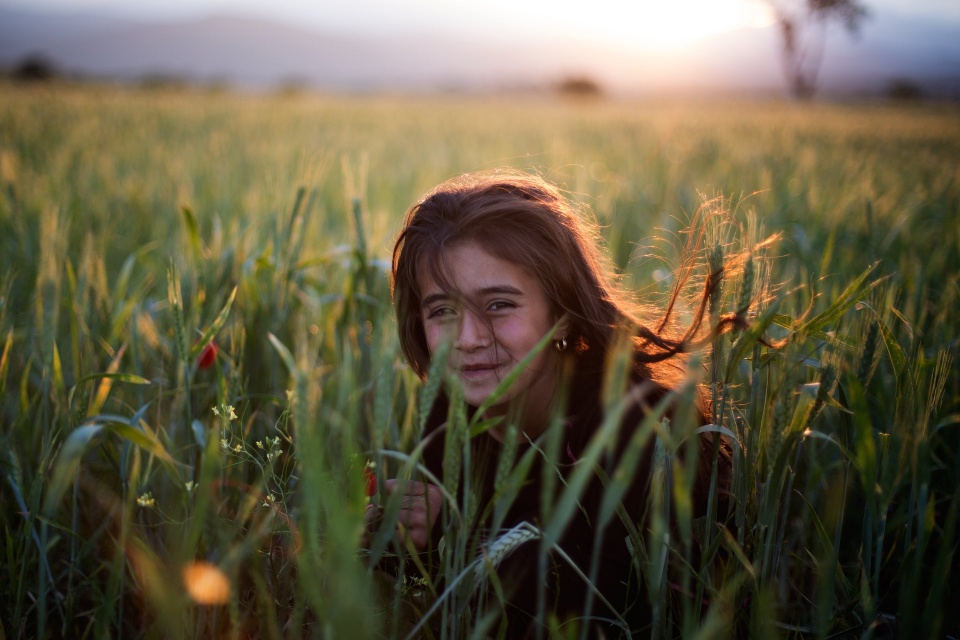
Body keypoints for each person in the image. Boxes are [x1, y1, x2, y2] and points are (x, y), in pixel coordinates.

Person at [377, 169, 733, 636]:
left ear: (563, 314)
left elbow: (613, 605)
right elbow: (432, 581)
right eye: (442, 310)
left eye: (499, 305)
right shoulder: (451, 405)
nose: (466, 339)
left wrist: (454, 531)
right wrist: (396, 533)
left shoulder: (639, 424)